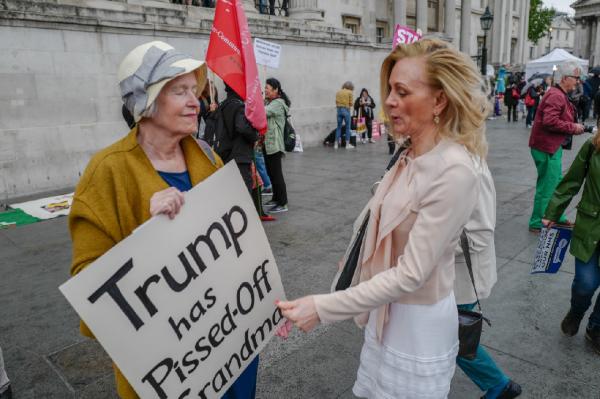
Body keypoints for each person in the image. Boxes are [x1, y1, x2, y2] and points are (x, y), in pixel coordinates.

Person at [277, 38, 488, 399]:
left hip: (416, 326)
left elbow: (411, 274)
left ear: (439, 100)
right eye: (390, 89)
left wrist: (323, 308)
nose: (389, 100)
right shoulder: (408, 152)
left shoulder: (454, 170)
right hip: (384, 313)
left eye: (402, 91)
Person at [68, 41, 260, 399]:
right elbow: (90, 292)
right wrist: (147, 234)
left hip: (229, 343)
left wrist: (262, 309)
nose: (196, 102)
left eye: (195, 90)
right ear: (147, 102)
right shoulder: (106, 173)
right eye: (180, 91)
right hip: (171, 368)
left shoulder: (207, 157)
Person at [455, 160, 522, 399]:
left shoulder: (470, 166)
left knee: (453, 335)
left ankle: (499, 384)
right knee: (448, 335)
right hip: (444, 277)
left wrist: (423, 243)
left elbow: (479, 235)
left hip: (460, 278)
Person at [543, 120, 600, 356]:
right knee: (586, 284)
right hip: (590, 224)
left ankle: (595, 328)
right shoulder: (593, 146)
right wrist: (552, 212)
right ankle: (577, 311)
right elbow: (572, 181)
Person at [527, 60, 585, 233]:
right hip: (546, 147)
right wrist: (573, 127)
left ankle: (555, 216)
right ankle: (537, 222)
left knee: (553, 183)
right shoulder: (555, 95)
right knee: (548, 186)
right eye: (576, 77)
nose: (578, 81)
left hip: (549, 146)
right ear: (566, 78)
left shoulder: (557, 93)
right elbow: (550, 121)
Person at [263, 78, 290, 213]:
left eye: (267, 88)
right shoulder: (270, 102)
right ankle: (275, 198)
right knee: (271, 173)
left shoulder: (278, 103)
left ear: (275, 90)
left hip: (275, 144)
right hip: (267, 143)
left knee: (276, 174)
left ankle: (283, 202)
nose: (265, 90)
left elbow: (263, 112)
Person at [335, 81, 354, 149]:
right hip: (346, 110)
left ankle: (336, 144)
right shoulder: (350, 92)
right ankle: (347, 144)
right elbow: (351, 103)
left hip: (339, 110)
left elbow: (336, 102)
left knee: (339, 127)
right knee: (347, 127)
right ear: (350, 87)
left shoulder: (338, 92)